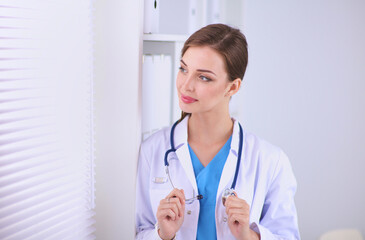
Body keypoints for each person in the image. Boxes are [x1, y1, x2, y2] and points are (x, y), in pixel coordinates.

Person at [135, 23, 300, 240]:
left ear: (232, 87)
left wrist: (249, 236)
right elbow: (138, 231)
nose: (186, 86)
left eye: (203, 77)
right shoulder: (153, 151)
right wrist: (162, 234)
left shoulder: (270, 161)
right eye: (183, 69)